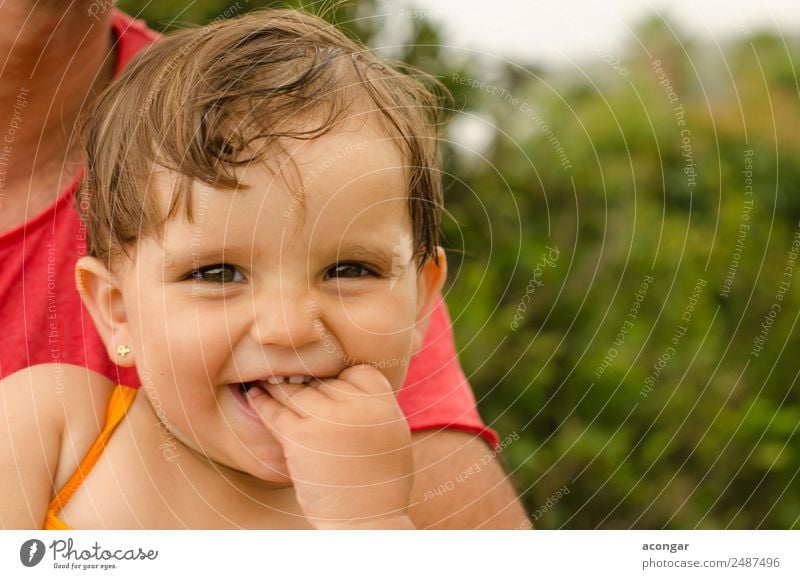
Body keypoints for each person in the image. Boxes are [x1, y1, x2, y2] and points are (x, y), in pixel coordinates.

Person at [0, 1, 528, 528]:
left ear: (420, 303)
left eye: (348, 270)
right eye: (217, 274)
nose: (291, 328)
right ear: (117, 308)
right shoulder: (50, 431)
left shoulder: (399, 515)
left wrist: (374, 527)